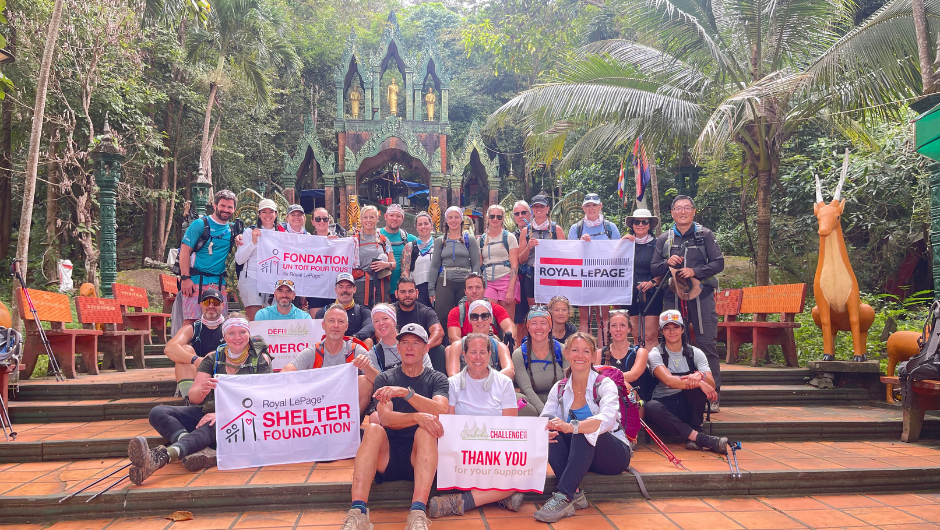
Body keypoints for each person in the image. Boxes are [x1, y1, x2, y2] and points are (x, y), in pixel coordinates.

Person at [129, 313, 272, 484]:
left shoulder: (259, 359)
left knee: (213, 423)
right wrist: (203, 390)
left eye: (242, 332)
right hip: (210, 412)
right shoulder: (215, 357)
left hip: (245, 421)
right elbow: (194, 397)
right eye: (231, 333)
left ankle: (162, 457)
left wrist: (223, 415)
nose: (237, 338)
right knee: (158, 412)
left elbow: (264, 401)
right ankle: (197, 451)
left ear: (248, 333)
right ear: (224, 335)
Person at [338, 323, 448, 530]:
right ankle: (358, 512)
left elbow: (441, 412)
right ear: (397, 348)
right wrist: (418, 417)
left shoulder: (437, 378)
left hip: (420, 456)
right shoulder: (385, 378)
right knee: (373, 429)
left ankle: (417, 513)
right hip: (387, 456)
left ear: (425, 348)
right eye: (404, 342)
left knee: (426, 431)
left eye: (416, 343)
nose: (409, 348)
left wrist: (407, 394)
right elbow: (386, 418)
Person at [426, 333, 524, 518]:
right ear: (464, 355)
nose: (478, 358)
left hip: (494, 450)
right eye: (472, 352)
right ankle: (499, 497)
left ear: (489, 355)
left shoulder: (504, 383)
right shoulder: (452, 383)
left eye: (482, 352)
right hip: (463, 450)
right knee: (512, 483)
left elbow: (510, 425)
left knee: (523, 473)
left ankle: (457, 502)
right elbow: (450, 424)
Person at [536, 332, 632, 523]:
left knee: (582, 429)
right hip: (581, 456)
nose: (580, 355)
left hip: (614, 455)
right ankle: (576, 494)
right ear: (566, 353)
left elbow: (608, 419)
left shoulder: (605, 384)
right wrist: (546, 427)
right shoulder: (560, 388)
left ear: (593, 356)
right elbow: (545, 416)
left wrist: (573, 426)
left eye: (586, 351)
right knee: (551, 432)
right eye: (575, 350)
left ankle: (563, 495)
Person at [650, 195, 725, 412]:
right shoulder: (665, 239)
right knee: (673, 342)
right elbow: (654, 267)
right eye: (678, 208)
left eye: (687, 208)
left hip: (701, 295)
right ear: (672, 213)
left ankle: (713, 395)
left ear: (694, 211)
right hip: (673, 296)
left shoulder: (705, 235)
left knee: (706, 343)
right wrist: (667, 263)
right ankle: (676, 392)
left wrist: (696, 271)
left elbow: (718, 263)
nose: (683, 212)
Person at [644, 310, 727, 453]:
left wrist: (700, 376)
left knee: (696, 389)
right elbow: (669, 381)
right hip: (664, 405)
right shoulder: (655, 354)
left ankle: (694, 432)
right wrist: (700, 381)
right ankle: (698, 437)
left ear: (682, 329)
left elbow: (712, 384)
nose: (672, 331)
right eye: (667, 328)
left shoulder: (696, 353)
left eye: (675, 327)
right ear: (662, 332)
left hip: (687, 405)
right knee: (651, 407)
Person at [281, 303, 375, 415]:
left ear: (346, 326)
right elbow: (285, 373)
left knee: (365, 381)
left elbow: (379, 380)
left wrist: (367, 367)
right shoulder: (313, 351)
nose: (336, 325)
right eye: (331, 321)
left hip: (347, 411)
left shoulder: (356, 350)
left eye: (340, 321)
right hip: (319, 410)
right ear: (323, 325)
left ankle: (349, 425)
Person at [178, 190, 243, 326]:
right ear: (215, 206)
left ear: (234, 209)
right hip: (196, 280)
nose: (226, 210)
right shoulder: (200, 224)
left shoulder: (232, 229)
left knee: (218, 322)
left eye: (229, 207)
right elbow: (184, 251)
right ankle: (185, 347)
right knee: (191, 321)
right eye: (222, 206)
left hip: (219, 282)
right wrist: (185, 278)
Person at [568, 193, 621, 345]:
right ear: (583, 208)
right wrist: (580, 243)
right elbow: (569, 252)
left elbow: (619, 251)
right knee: (585, 318)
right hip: (584, 278)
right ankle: (585, 351)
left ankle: (603, 352)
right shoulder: (576, 228)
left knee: (603, 318)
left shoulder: (610, 227)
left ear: (600, 206)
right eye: (587, 205)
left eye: (594, 205)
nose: (591, 208)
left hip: (604, 278)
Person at [162, 288, 225, 400]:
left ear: (222, 305)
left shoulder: (230, 326)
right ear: (201, 304)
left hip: (224, 371)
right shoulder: (192, 328)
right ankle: (189, 400)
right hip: (198, 373)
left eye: (215, 303)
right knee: (184, 349)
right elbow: (169, 348)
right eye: (207, 302)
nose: (211, 306)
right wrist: (198, 360)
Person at [429, 206, 481, 329]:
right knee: (441, 315)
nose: (453, 220)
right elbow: (435, 265)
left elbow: (476, 264)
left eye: (456, 217)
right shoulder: (440, 241)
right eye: (450, 217)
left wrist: (476, 285)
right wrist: (431, 289)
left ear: (461, 220)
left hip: (465, 282)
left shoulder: (470, 240)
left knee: (466, 315)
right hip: (445, 281)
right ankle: (443, 345)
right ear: (446, 221)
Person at [234, 199, 284, 320]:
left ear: (276, 214)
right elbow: (239, 259)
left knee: (272, 319)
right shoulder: (249, 232)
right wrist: (253, 242)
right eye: (264, 212)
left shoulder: (282, 233)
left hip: (273, 281)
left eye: (271, 211)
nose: (267, 215)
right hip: (252, 278)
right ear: (259, 214)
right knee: (255, 319)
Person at [621, 208, 664, 349]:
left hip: (652, 293)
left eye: (644, 221)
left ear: (650, 224)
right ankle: (639, 369)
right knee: (636, 335)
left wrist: (653, 283)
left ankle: (653, 369)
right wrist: (621, 243)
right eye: (637, 221)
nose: (640, 224)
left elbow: (664, 268)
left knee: (650, 336)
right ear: (632, 224)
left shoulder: (657, 244)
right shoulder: (625, 243)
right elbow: (612, 262)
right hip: (629, 294)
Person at [513, 306, 566, 416]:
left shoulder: (562, 350)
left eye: (543, 323)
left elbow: (568, 384)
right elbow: (526, 388)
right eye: (533, 323)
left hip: (560, 403)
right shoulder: (519, 354)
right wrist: (545, 414)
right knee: (517, 400)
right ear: (527, 327)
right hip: (533, 406)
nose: (538, 327)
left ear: (550, 327)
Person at [595, 310, 654, 403]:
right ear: (609, 329)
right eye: (614, 325)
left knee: (626, 386)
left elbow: (633, 376)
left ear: (629, 328)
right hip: (608, 400)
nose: (618, 329)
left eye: (622, 325)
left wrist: (605, 378)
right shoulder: (599, 354)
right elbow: (594, 379)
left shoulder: (640, 352)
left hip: (635, 402)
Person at [518, 195, 566, 309]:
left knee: (551, 309)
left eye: (542, 206)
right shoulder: (526, 231)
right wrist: (528, 247)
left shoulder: (556, 229)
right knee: (534, 310)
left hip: (551, 274)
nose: (538, 209)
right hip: (531, 275)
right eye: (535, 206)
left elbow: (565, 255)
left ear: (548, 208)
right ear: (532, 209)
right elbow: (521, 260)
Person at [445, 300, 513, 379]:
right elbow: (453, 374)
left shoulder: (499, 346)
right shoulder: (458, 346)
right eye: (475, 317)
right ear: (470, 320)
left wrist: (484, 380)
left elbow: (510, 370)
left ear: (491, 319)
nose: (480, 320)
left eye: (484, 316)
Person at [393, 277, 447, 373]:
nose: (407, 295)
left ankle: (440, 381)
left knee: (440, 350)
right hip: (396, 352)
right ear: (396, 294)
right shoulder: (390, 311)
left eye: (411, 291)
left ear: (417, 293)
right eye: (403, 292)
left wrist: (422, 349)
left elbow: (438, 332)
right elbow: (379, 334)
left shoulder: (426, 311)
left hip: (422, 353)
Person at [446, 273, 517, 347]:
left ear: (484, 290)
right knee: (449, 349)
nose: (474, 291)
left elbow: (510, 326)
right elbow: (454, 338)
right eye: (470, 288)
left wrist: (504, 344)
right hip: (466, 350)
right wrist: (474, 349)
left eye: (478, 287)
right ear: (465, 291)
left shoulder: (496, 309)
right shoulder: (456, 312)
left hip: (493, 348)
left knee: (513, 343)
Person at [479, 204, 520, 325]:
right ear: (487, 218)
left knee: (507, 320)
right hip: (488, 281)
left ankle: (509, 344)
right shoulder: (481, 239)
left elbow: (514, 265)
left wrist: (511, 289)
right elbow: (480, 263)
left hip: (506, 279)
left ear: (503, 218)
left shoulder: (509, 237)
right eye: (492, 216)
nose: (495, 219)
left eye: (498, 217)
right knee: (489, 318)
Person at [314, 273, 375, 350]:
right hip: (330, 348)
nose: (345, 290)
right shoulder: (323, 312)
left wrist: (353, 338)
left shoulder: (362, 311)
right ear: (336, 290)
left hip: (354, 350)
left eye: (349, 287)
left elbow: (370, 327)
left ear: (354, 289)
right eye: (341, 287)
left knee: (368, 341)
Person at [368, 303, 434, 372]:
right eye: (376, 321)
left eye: (385, 318)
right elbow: (379, 381)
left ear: (394, 321)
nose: (381, 323)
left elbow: (429, 374)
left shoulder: (416, 342)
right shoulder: (374, 353)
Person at [354, 205, 395, 306]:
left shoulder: (384, 240)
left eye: (372, 217)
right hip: (360, 285)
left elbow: (393, 264)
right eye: (365, 217)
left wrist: (385, 265)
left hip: (381, 283)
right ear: (361, 219)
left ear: (377, 219)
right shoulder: (354, 240)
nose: (369, 220)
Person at [305, 207, 342, 314]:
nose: (322, 221)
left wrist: (337, 245)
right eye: (318, 219)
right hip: (315, 290)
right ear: (312, 222)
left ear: (328, 221)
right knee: (317, 324)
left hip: (335, 289)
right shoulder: (306, 242)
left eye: (325, 219)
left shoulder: (339, 240)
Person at [380, 204, 418, 296]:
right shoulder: (377, 236)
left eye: (398, 216)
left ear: (402, 218)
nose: (394, 218)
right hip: (380, 288)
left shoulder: (410, 239)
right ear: (385, 217)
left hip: (402, 291)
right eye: (391, 215)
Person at [401, 212, 435, 307]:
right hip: (417, 288)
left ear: (431, 225)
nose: (423, 227)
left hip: (436, 288)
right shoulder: (410, 247)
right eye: (420, 224)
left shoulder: (439, 245)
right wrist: (409, 291)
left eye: (426, 223)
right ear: (416, 227)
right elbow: (405, 272)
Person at [510, 201, 532, 336]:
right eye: (517, 214)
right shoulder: (510, 236)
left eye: (523, 212)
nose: (520, 216)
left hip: (535, 279)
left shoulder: (540, 231)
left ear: (530, 214)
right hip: (517, 280)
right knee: (519, 321)